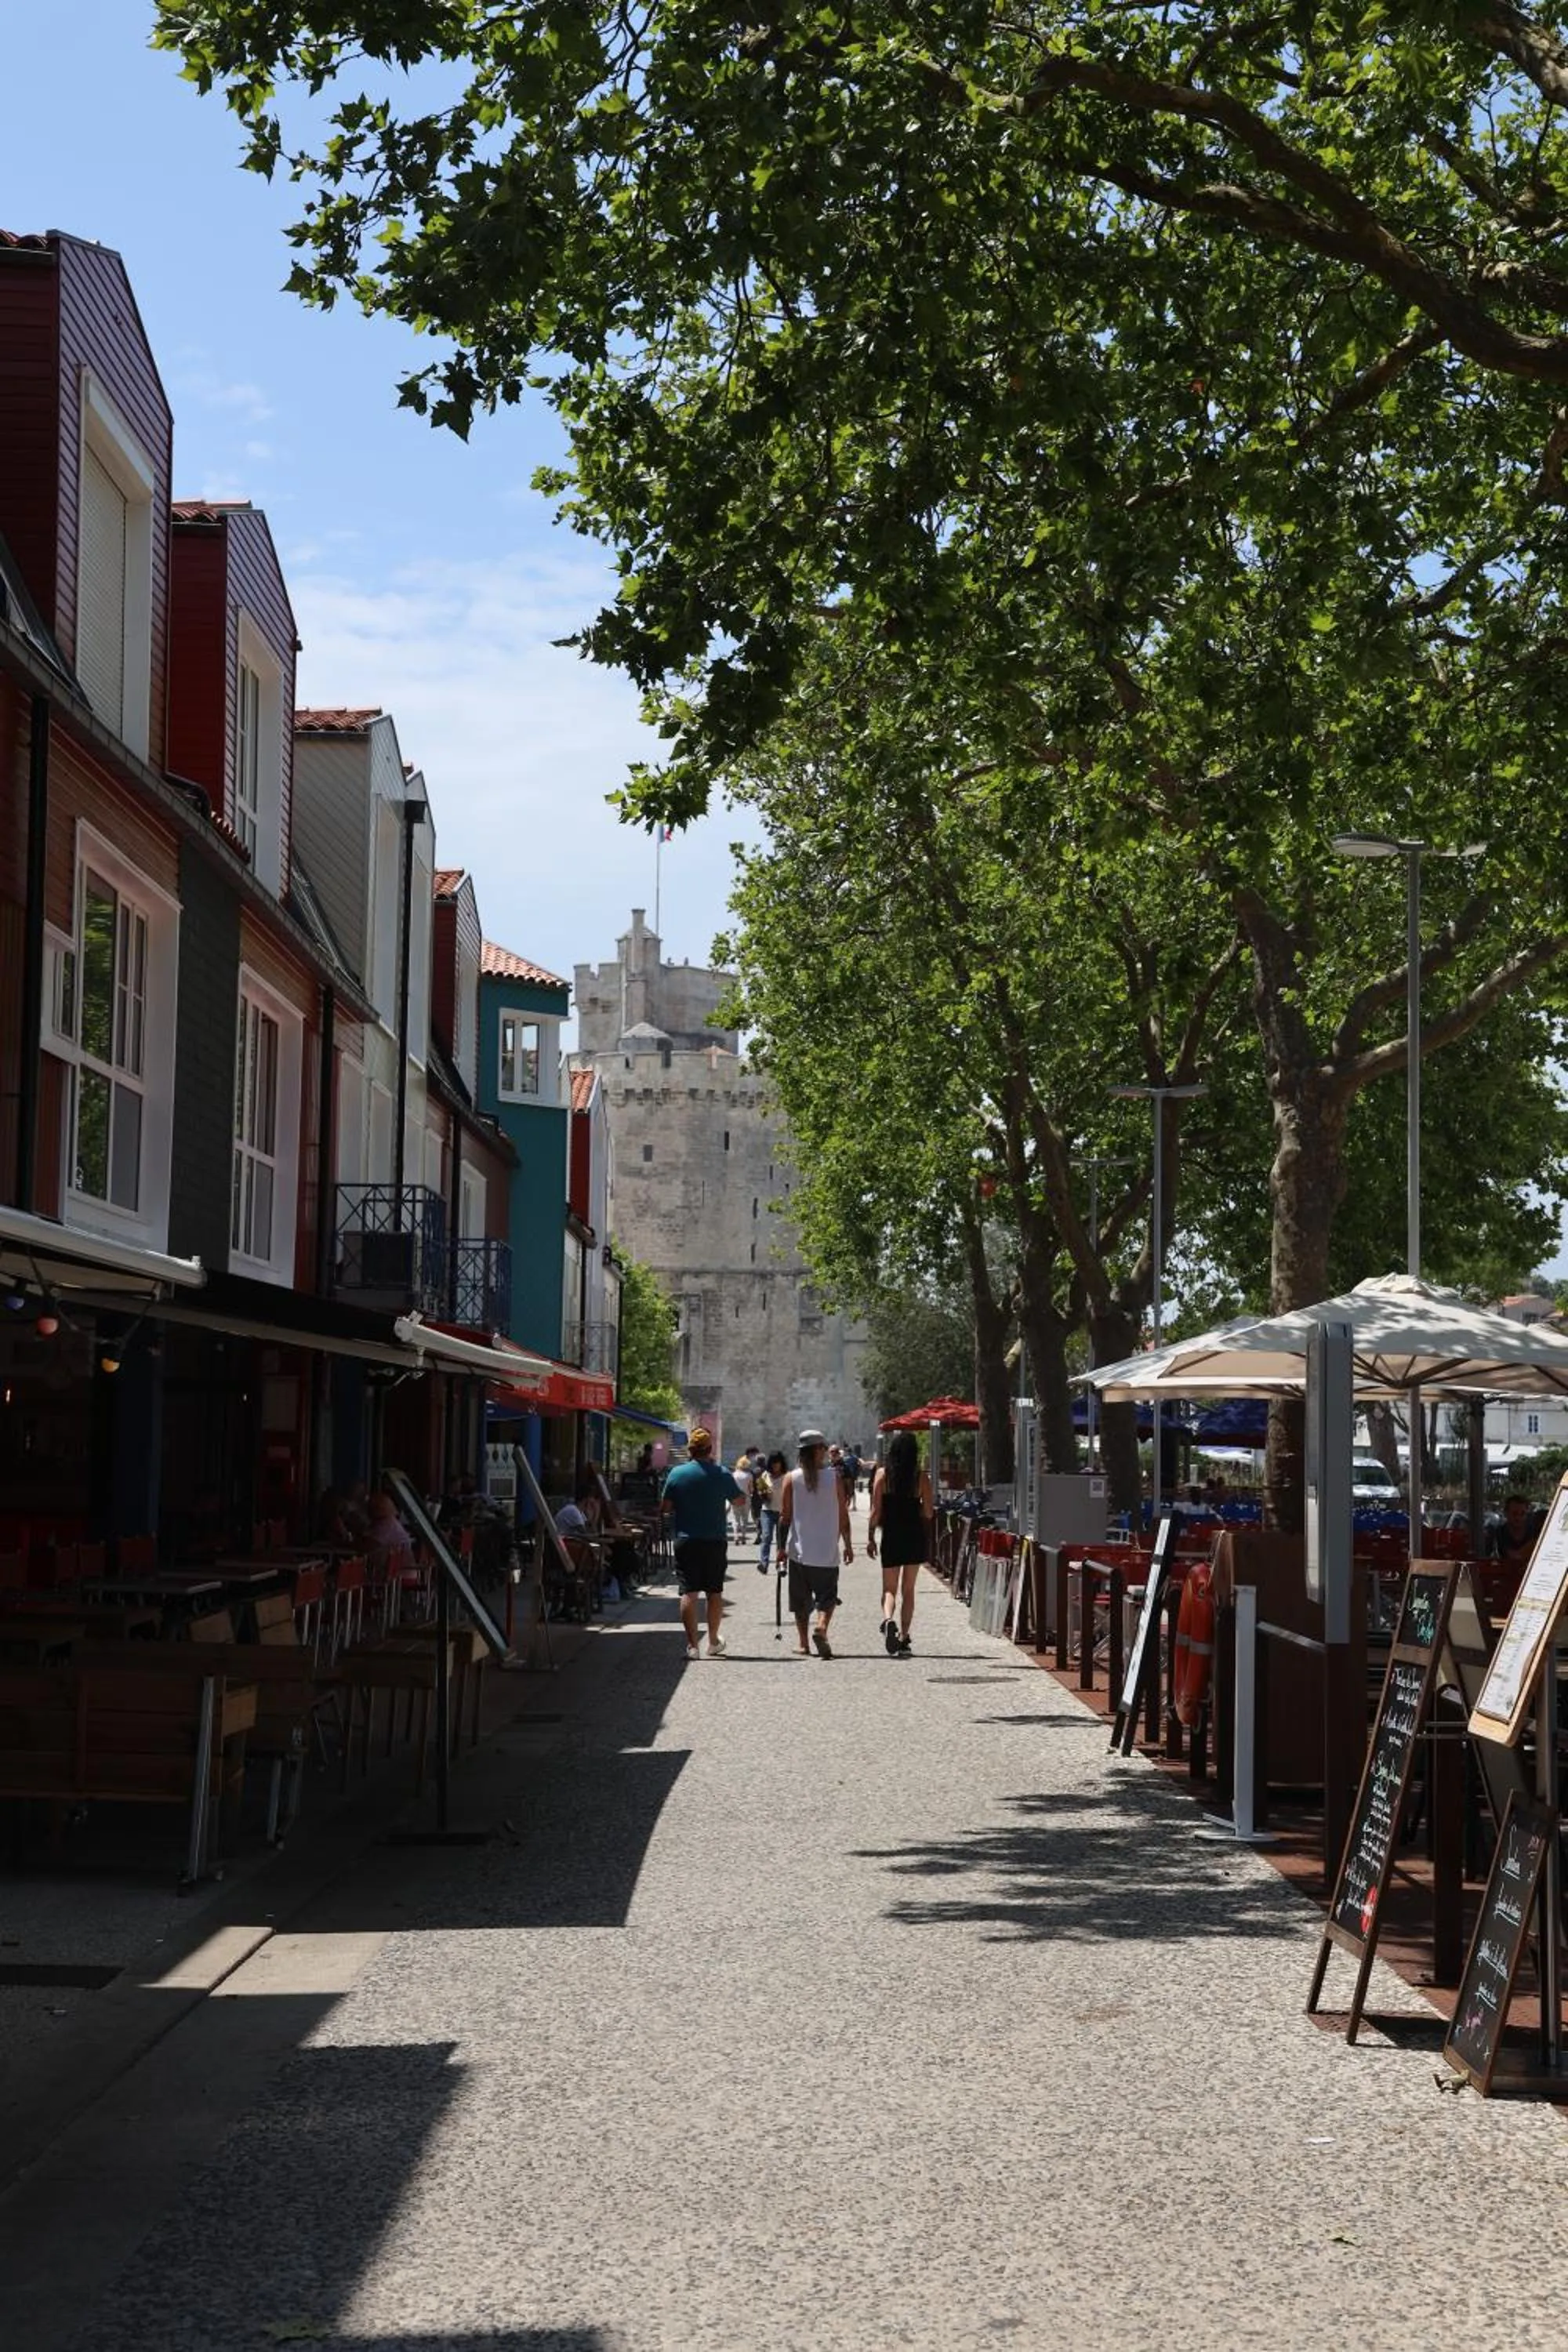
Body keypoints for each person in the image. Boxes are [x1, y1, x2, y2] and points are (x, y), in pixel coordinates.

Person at [661, 1428, 741, 1658]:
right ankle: (713, 1641)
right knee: (715, 1592)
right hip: (715, 1540)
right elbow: (738, 1500)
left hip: (686, 1540)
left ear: (691, 1450)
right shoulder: (722, 1473)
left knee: (689, 1592)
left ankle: (693, 1646)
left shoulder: (676, 1474)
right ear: (710, 1449)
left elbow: (665, 1508)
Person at [779, 1429, 852, 1658]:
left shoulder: (791, 1478)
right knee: (827, 1597)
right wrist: (848, 1544)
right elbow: (843, 1515)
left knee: (801, 1602)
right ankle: (821, 1626)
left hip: (799, 1553)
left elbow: (784, 1516)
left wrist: (780, 1548)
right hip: (827, 1552)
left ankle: (803, 1643)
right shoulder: (835, 1478)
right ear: (820, 1451)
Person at [867, 1428, 931, 1657]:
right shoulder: (920, 1476)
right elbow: (929, 1512)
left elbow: (875, 1511)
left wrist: (870, 1537)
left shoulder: (883, 1475)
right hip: (914, 1535)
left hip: (892, 1535)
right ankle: (904, 1636)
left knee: (889, 1589)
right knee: (909, 1589)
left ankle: (887, 1619)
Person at [364, 1490, 415, 1580]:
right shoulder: (392, 1522)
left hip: (397, 1577)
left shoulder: (386, 1525)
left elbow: (368, 1545)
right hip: (401, 1575)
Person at [757, 1450, 789, 1575]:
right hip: (767, 1511)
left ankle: (781, 1565)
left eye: (778, 1463)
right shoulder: (765, 1476)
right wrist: (763, 1493)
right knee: (766, 1536)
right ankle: (764, 1564)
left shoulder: (787, 1476)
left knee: (781, 1540)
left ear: (782, 1464)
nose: (776, 1466)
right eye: (774, 1463)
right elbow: (760, 1491)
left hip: (782, 1511)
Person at [1492, 1493, 1541, 1571]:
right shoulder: (1501, 1532)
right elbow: (1512, 1557)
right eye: (1514, 1514)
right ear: (1506, 1513)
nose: (1518, 1518)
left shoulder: (1534, 1531)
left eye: (1522, 1514)